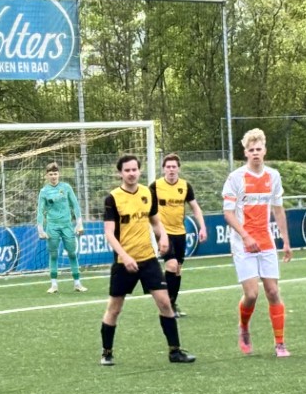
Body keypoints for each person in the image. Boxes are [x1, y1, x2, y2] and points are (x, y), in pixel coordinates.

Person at [100, 154, 196, 366]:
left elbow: (155, 220)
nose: (131, 173)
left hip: (148, 258)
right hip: (123, 262)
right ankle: (107, 352)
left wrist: (162, 235)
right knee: (115, 308)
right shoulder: (112, 198)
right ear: (120, 173)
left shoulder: (146, 192)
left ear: (139, 171)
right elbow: (109, 233)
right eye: (127, 170)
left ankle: (175, 351)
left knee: (164, 302)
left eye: (134, 169)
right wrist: (124, 257)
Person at [221, 128, 294, 357]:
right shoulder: (236, 178)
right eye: (251, 150)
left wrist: (286, 241)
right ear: (245, 153)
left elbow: (278, 210)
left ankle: (280, 343)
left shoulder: (273, 176)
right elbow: (228, 214)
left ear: (265, 151)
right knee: (252, 294)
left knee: (273, 291)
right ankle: (243, 327)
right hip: (243, 242)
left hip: (265, 241)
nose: (255, 153)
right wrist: (245, 236)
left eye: (258, 149)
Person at [151, 152, 208, 317]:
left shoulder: (185, 186)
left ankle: (172, 304)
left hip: (180, 232)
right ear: (163, 169)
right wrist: (159, 232)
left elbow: (195, 208)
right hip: (163, 233)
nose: (171, 170)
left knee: (177, 270)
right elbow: (149, 210)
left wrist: (202, 227)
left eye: (174, 167)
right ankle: (167, 305)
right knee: (171, 265)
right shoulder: (155, 186)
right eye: (168, 167)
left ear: (178, 169)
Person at [35, 161, 85, 294]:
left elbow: (75, 205)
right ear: (46, 175)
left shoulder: (66, 187)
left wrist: (79, 223)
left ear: (59, 174)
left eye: (55, 173)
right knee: (53, 254)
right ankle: (54, 285)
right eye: (51, 174)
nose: (53, 176)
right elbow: (40, 211)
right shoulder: (44, 191)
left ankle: (77, 283)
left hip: (67, 226)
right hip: (52, 227)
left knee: (72, 254)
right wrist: (40, 229)